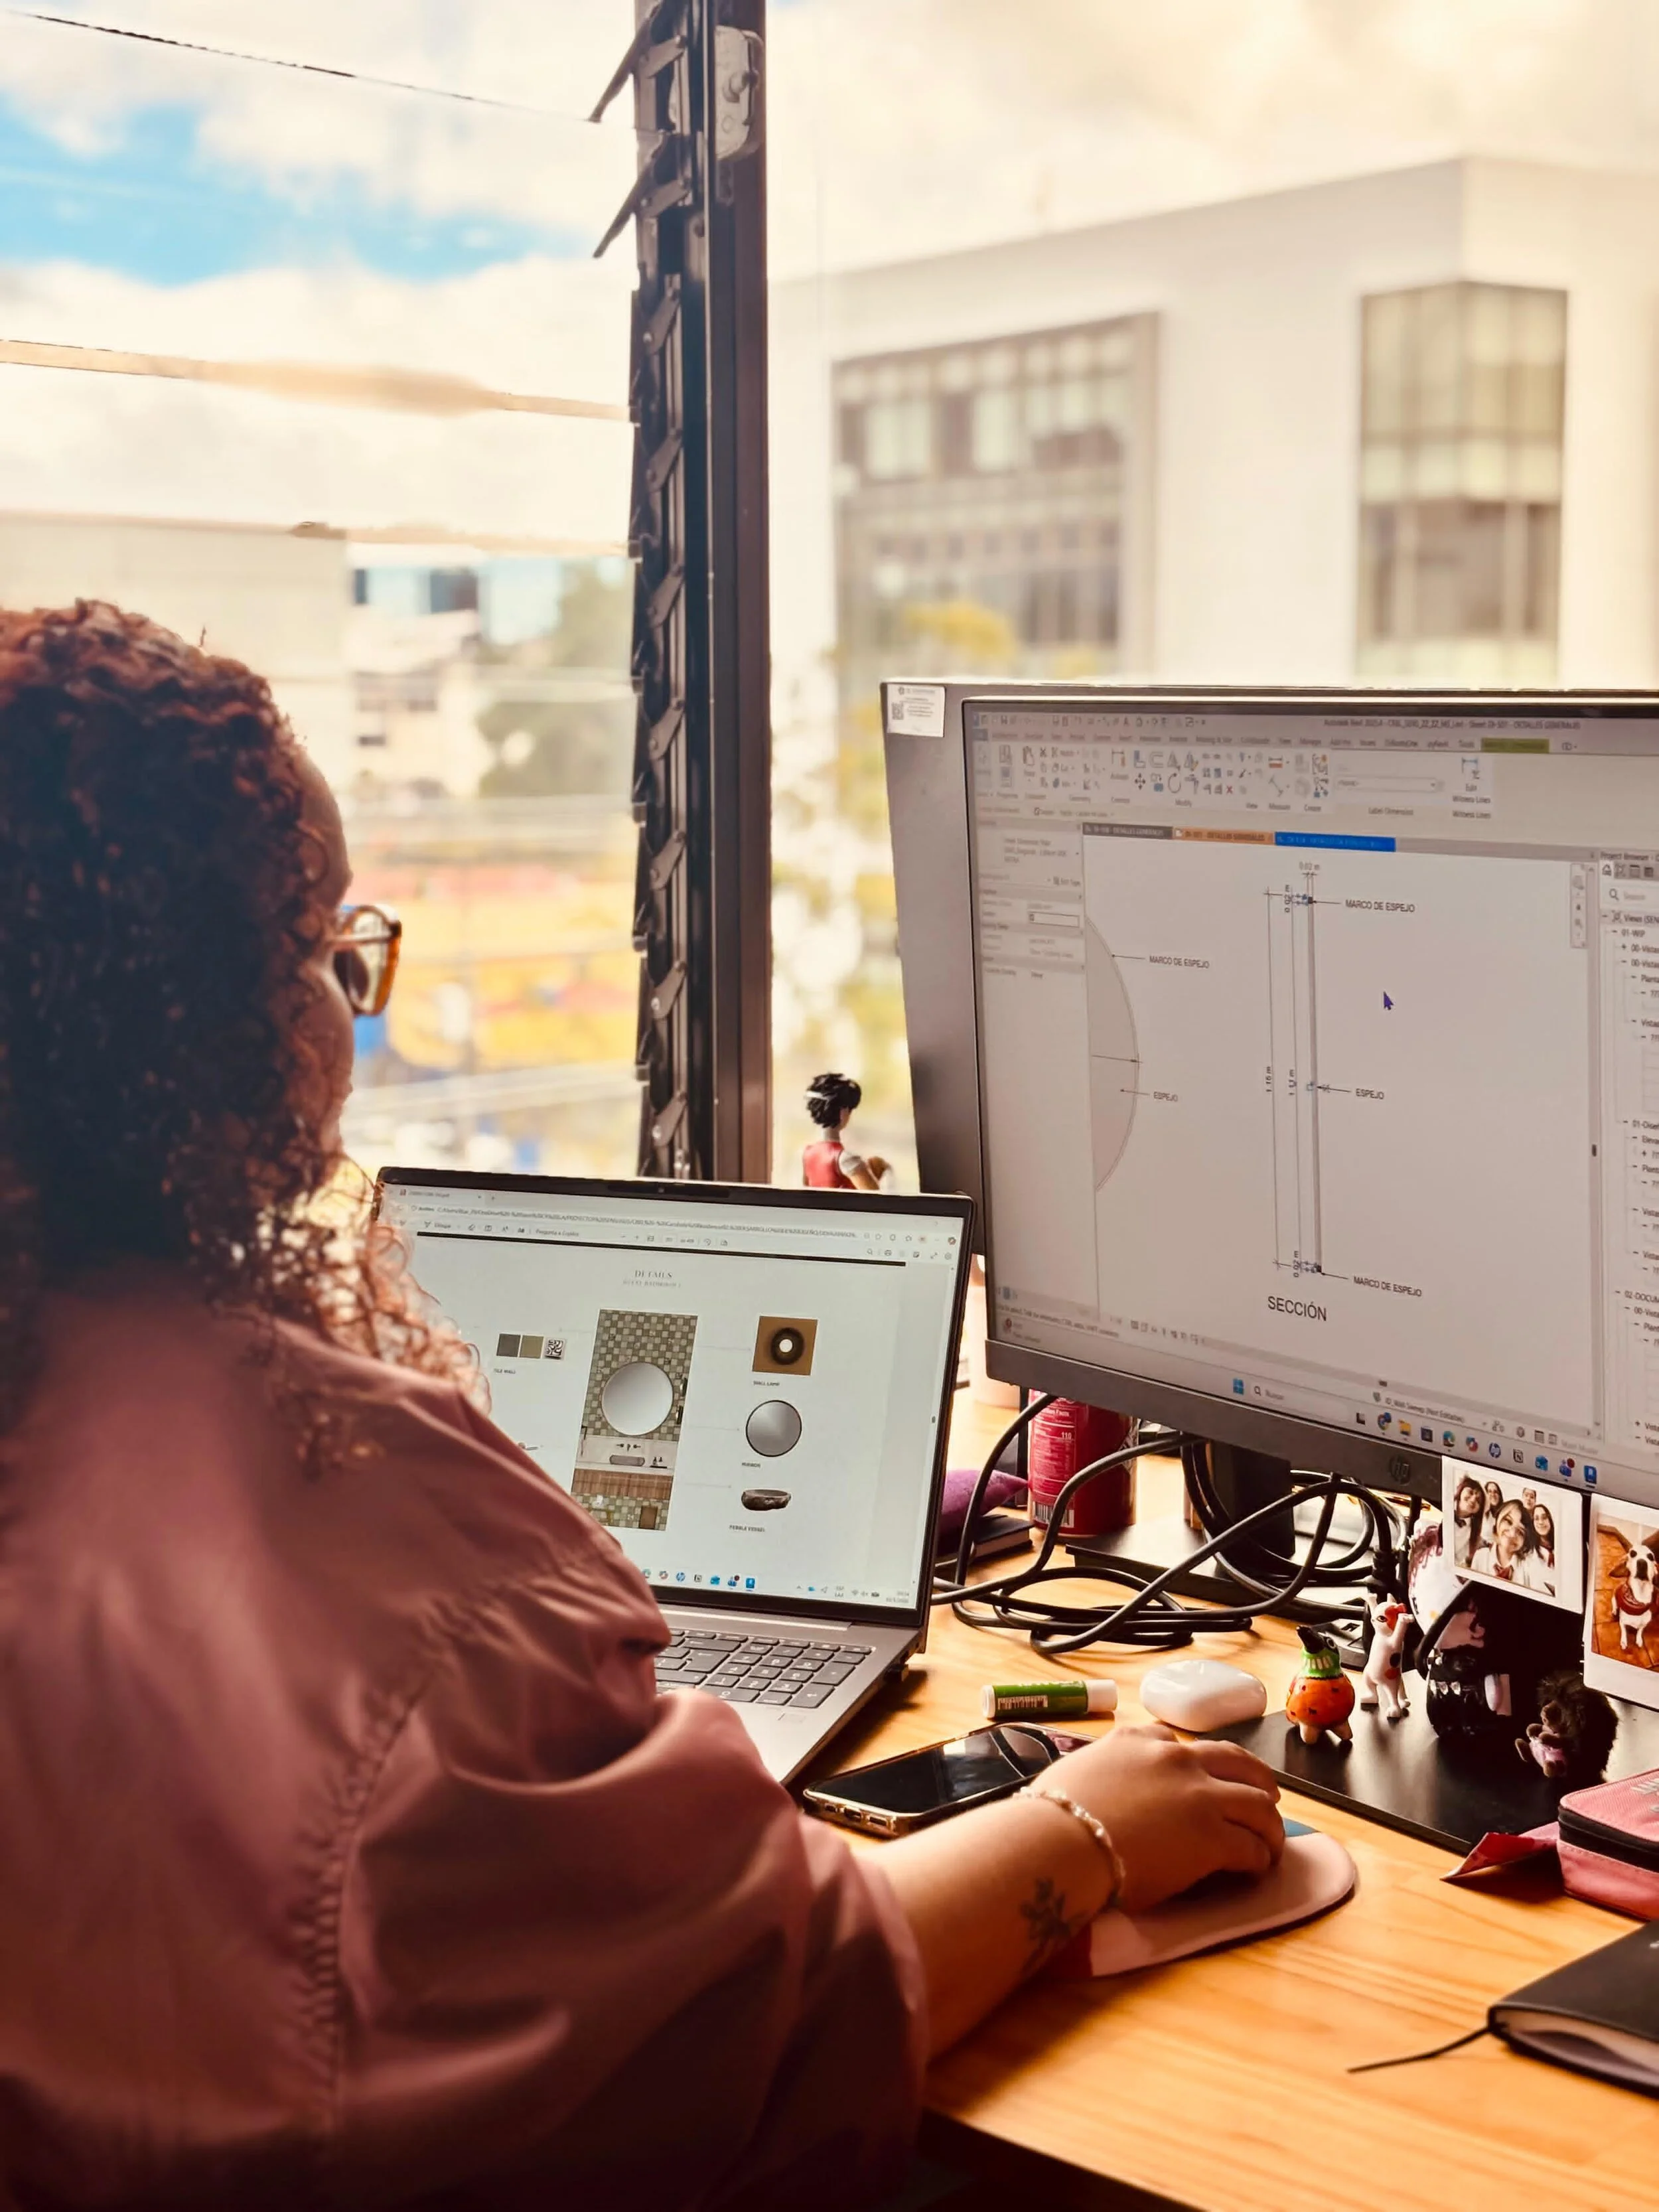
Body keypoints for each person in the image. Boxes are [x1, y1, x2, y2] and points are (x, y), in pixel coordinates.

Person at [0, 603, 1285, 2211]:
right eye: (321, 947)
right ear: (182, 1030)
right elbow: (777, 2006)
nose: (350, 1007)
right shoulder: (381, 1557)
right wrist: (1087, 1825)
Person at [801, 1069, 891, 1191]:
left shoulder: (807, 1153)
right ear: (843, 1111)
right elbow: (874, 1199)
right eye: (849, 1110)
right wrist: (876, 1172)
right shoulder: (845, 1159)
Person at [1471, 1497, 1551, 1594]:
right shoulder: (1481, 1557)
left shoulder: (1527, 1566)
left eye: (1520, 1532)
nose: (1512, 1534)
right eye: (1508, 1521)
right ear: (1496, 1522)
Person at [1451, 1473, 1487, 1568]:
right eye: (1471, 1492)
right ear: (1461, 1490)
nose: (1473, 1499)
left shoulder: (1472, 1534)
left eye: (1478, 1500)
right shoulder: (1444, 1504)